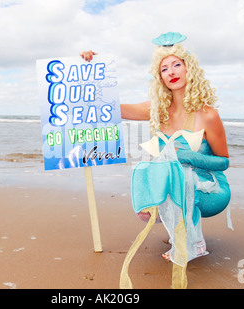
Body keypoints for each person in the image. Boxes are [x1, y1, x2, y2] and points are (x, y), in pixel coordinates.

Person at [81, 32, 231, 264]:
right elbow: (110, 107)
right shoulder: (157, 110)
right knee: (146, 191)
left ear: (188, 68)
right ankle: (180, 231)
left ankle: (195, 242)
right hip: (175, 181)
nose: (171, 72)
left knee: (180, 175)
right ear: (159, 77)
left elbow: (224, 162)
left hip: (211, 189)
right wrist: (91, 70)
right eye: (164, 69)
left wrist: (189, 156)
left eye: (176, 65)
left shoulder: (208, 115)